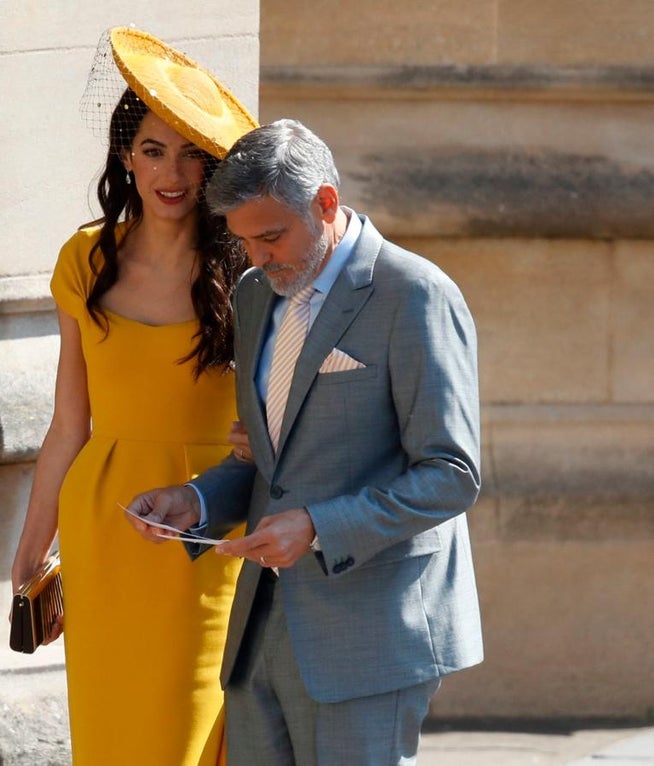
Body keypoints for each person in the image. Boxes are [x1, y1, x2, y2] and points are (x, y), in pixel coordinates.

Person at [125, 119, 484, 765]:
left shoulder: (416, 294)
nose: (259, 256)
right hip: (259, 629)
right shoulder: (256, 294)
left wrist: (316, 527)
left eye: (271, 236)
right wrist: (197, 500)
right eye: (245, 241)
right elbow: (273, 461)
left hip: (370, 632)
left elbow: (451, 473)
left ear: (325, 203)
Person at [10, 27, 257, 766]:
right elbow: (67, 425)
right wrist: (30, 548)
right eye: (152, 150)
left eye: (190, 152)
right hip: (102, 527)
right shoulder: (84, 259)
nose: (171, 173)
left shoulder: (248, 269)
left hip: (205, 535)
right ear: (125, 156)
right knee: (112, 736)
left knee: (188, 733)